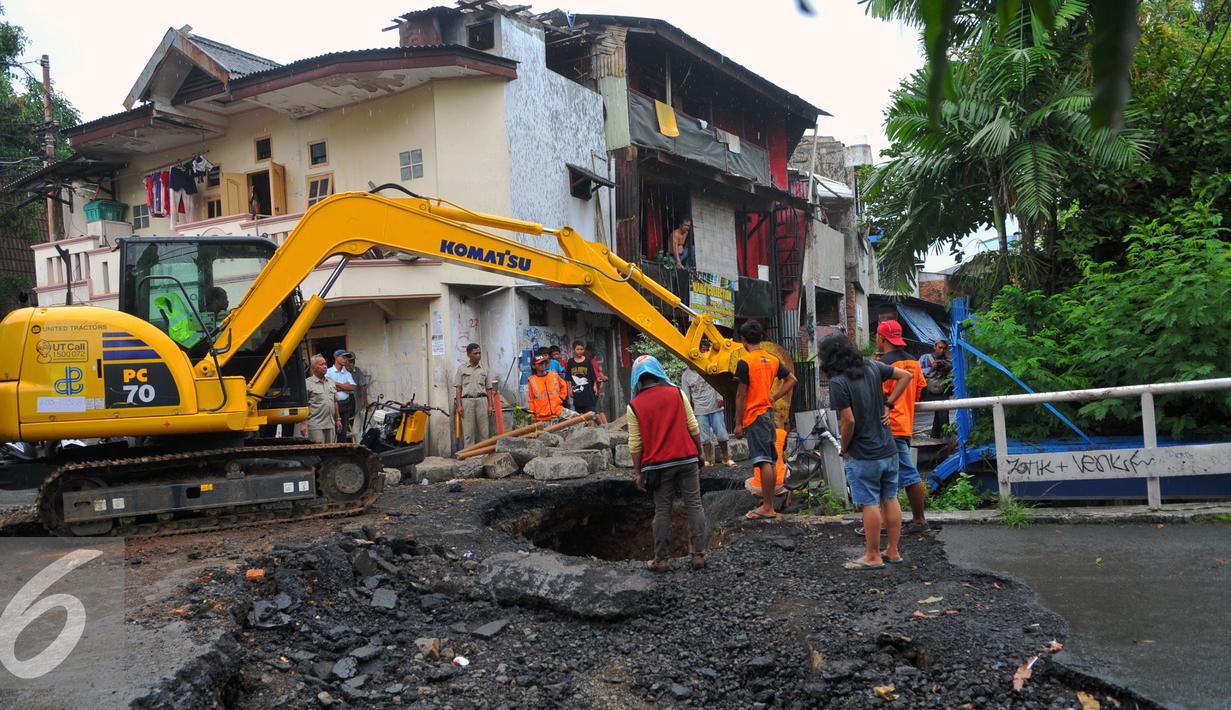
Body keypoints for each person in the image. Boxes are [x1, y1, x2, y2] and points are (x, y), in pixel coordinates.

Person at [818, 333, 914, 571]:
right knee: (890, 497)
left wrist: (844, 448)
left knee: (869, 502)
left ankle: (873, 556)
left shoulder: (838, 382)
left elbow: (848, 421)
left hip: (863, 453)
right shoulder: (872, 366)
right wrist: (889, 404)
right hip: (888, 448)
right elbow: (906, 376)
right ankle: (893, 551)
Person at [628, 354, 707, 572]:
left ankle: (661, 560)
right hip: (687, 458)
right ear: (658, 372)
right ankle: (698, 556)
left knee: (662, 511)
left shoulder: (634, 405)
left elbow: (635, 443)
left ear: (637, 379)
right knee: (694, 504)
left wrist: (637, 472)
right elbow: (693, 426)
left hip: (658, 465)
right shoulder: (677, 393)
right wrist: (700, 452)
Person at [733, 320, 797, 521]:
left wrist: (738, 423)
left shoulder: (745, 362)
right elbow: (792, 380)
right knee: (770, 459)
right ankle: (768, 504)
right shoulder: (772, 359)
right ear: (761, 338)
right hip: (768, 414)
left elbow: (741, 395)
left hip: (754, 415)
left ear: (743, 340)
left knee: (763, 460)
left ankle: (767, 507)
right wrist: (774, 397)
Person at [875, 321, 929, 531]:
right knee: (893, 475)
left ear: (882, 339)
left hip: (889, 424)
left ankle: (918, 520)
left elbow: (877, 396)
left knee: (905, 474)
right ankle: (888, 521)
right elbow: (920, 390)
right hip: (905, 423)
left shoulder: (883, 365)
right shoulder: (914, 362)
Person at [680, 338, 735, 467]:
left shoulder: (709, 366)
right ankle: (708, 460)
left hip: (715, 406)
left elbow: (719, 381)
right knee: (704, 438)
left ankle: (726, 458)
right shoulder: (686, 375)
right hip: (699, 409)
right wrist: (689, 412)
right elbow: (686, 396)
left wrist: (720, 396)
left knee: (722, 435)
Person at [454, 343, 492, 448]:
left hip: (482, 401)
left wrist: (490, 405)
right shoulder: (462, 369)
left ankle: (485, 454)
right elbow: (458, 388)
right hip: (467, 401)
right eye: (475, 353)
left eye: (479, 353)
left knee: (484, 431)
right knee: (468, 432)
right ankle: (470, 455)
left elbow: (489, 388)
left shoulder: (485, 369)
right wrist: (459, 405)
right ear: (469, 354)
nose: (478, 355)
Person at [302, 354, 342, 443]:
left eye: (325, 364)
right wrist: (303, 424)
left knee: (331, 449)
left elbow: (335, 402)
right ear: (313, 368)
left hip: (330, 424)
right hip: (315, 425)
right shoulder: (307, 384)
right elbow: (304, 405)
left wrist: (338, 419)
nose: (325, 366)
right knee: (318, 449)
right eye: (321, 364)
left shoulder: (331, 382)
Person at [919, 339, 953, 439]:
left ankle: (936, 436)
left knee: (941, 414)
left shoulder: (947, 360)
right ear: (935, 347)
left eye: (944, 348)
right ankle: (944, 436)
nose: (942, 350)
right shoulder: (926, 358)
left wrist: (946, 366)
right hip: (930, 391)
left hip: (942, 390)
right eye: (940, 347)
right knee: (941, 414)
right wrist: (931, 367)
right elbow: (918, 371)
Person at [526, 353, 574, 422]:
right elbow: (531, 399)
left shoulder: (554, 374)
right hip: (542, 416)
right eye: (539, 363)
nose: (542, 365)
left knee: (580, 419)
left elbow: (564, 386)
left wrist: (561, 398)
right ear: (534, 366)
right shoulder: (532, 380)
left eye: (543, 363)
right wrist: (532, 413)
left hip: (558, 411)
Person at [325, 349, 357, 438]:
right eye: (343, 357)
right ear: (336, 357)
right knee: (332, 432)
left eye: (346, 358)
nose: (345, 360)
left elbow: (352, 387)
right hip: (333, 405)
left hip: (345, 405)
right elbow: (328, 388)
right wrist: (345, 386)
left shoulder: (347, 373)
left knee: (343, 433)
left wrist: (336, 384)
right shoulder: (328, 372)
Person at [566, 340, 600, 416]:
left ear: (584, 350)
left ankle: (594, 423)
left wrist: (595, 387)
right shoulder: (570, 362)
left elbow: (592, 376)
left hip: (588, 392)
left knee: (591, 413)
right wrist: (569, 390)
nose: (580, 351)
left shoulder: (588, 361)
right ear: (573, 350)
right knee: (579, 414)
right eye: (577, 349)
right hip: (577, 392)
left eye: (581, 349)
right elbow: (568, 378)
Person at [346, 352, 369, 442]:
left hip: (355, 400)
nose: (350, 364)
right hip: (344, 400)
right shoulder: (342, 372)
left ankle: (355, 441)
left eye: (352, 362)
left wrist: (365, 402)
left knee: (356, 421)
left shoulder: (357, 371)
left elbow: (363, 386)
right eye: (349, 362)